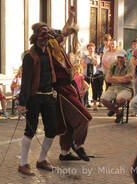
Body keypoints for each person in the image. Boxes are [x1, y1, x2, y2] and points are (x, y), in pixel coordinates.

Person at [48, 6, 93, 162]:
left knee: (67, 123)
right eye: (59, 38)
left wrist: (71, 17)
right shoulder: (49, 50)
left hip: (69, 87)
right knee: (84, 118)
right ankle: (77, 144)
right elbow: (64, 32)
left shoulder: (58, 49)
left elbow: (65, 30)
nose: (63, 39)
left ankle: (65, 153)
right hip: (61, 91)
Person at [17, 22, 57, 176]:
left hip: (48, 97)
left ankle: (41, 160)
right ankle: (23, 163)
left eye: (47, 38)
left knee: (52, 130)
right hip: (34, 98)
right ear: (36, 38)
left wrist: (71, 20)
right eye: (42, 37)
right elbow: (25, 81)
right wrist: (22, 104)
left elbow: (63, 34)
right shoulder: (29, 56)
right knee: (30, 130)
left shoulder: (49, 51)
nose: (45, 41)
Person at [100, 49, 134, 123]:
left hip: (126, 88)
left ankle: (114, 109)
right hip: (113, 87)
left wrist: (114, 78)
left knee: (120, 99)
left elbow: (127, 79)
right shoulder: (113, 64)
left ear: (125, 57)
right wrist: (121, 79)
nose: (119, 59)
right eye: (118, 57)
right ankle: (118, 112)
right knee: (103, 99)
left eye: (121, 57)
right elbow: (107, 79)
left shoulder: (129, 65)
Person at [81, 42, 101, 109]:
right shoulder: (85, 56)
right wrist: (91, 64)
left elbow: (97, 63)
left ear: (94, 49)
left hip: (94, 75)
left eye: (91, 48)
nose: (90, 50)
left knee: (94, 89)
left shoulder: (97, 56)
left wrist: (92, 57)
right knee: (86, 88)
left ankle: (95, 104)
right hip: (86, 75)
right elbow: (83, 65)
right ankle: (86, 103)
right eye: (89, 49)